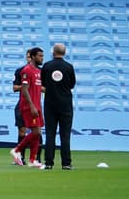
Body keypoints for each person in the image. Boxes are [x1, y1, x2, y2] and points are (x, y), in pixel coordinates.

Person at [41, 42, 75, 170]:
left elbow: (43, 83)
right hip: (65, 104)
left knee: (50, 134)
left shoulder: (47, 66)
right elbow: (72, 84)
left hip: (50, 104)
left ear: (53, 52)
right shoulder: (69, 67)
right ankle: (66, 163)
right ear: (64, 53)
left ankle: (48, 162)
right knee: (65, 134)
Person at [12, 46, 45, 169]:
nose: (42, 58)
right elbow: (24, 90)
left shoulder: (38, 71)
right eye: (39, 56)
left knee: (37, 132)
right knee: (35, 131)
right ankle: (17, 150)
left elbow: (39, 88)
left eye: (42, 56)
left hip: (37, 105)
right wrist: (31, 106)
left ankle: (32, 160)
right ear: (32, 57)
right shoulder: (27, 70)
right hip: (29, 106)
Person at [11, 51, 31, 163]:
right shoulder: (20, 71)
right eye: (27, 57)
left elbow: (44, 88)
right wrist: (25, 86)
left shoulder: (40, 71)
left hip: (35, 103)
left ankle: (37, 158)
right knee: (21, 131)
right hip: (22, 103)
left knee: (36, 131)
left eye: (30, 57)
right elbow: (14, 88)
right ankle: (20, 157)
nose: (29, 59)